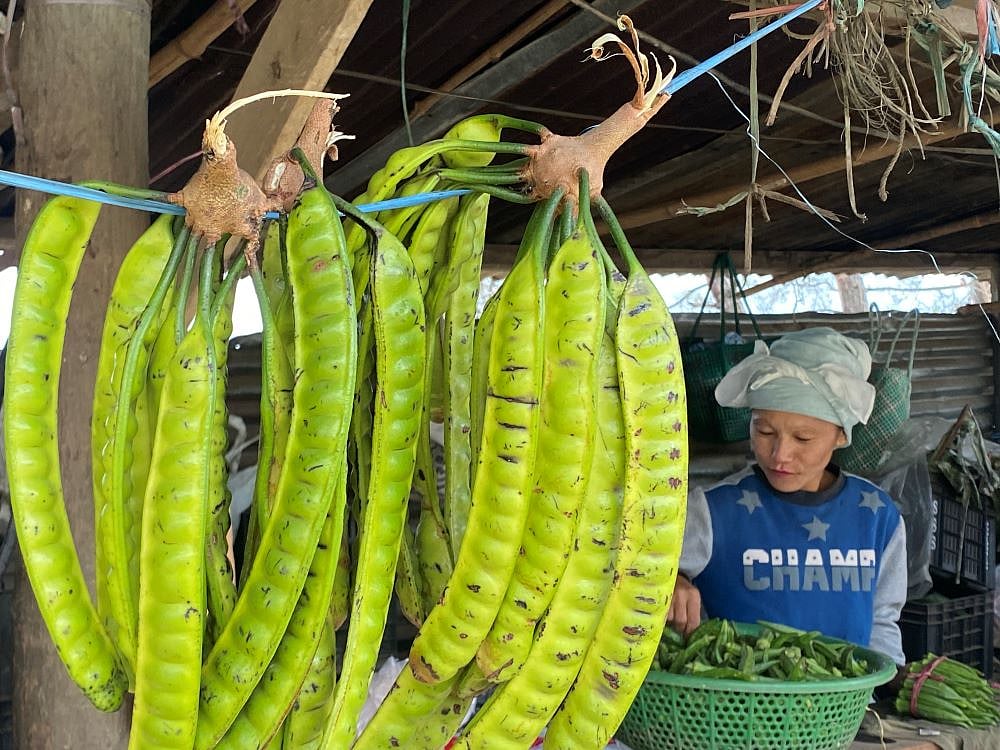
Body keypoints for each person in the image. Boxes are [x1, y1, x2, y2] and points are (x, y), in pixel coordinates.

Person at [667, 327, 907, 665]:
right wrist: (672, 581)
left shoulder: (876, 516)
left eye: (803, 438)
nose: (780, 454)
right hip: (736, 706)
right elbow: (640, 576)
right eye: (764, 431)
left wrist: (883, 683)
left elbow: (883, 618)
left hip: (845, 706)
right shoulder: (713, 511)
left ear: (841, 435)